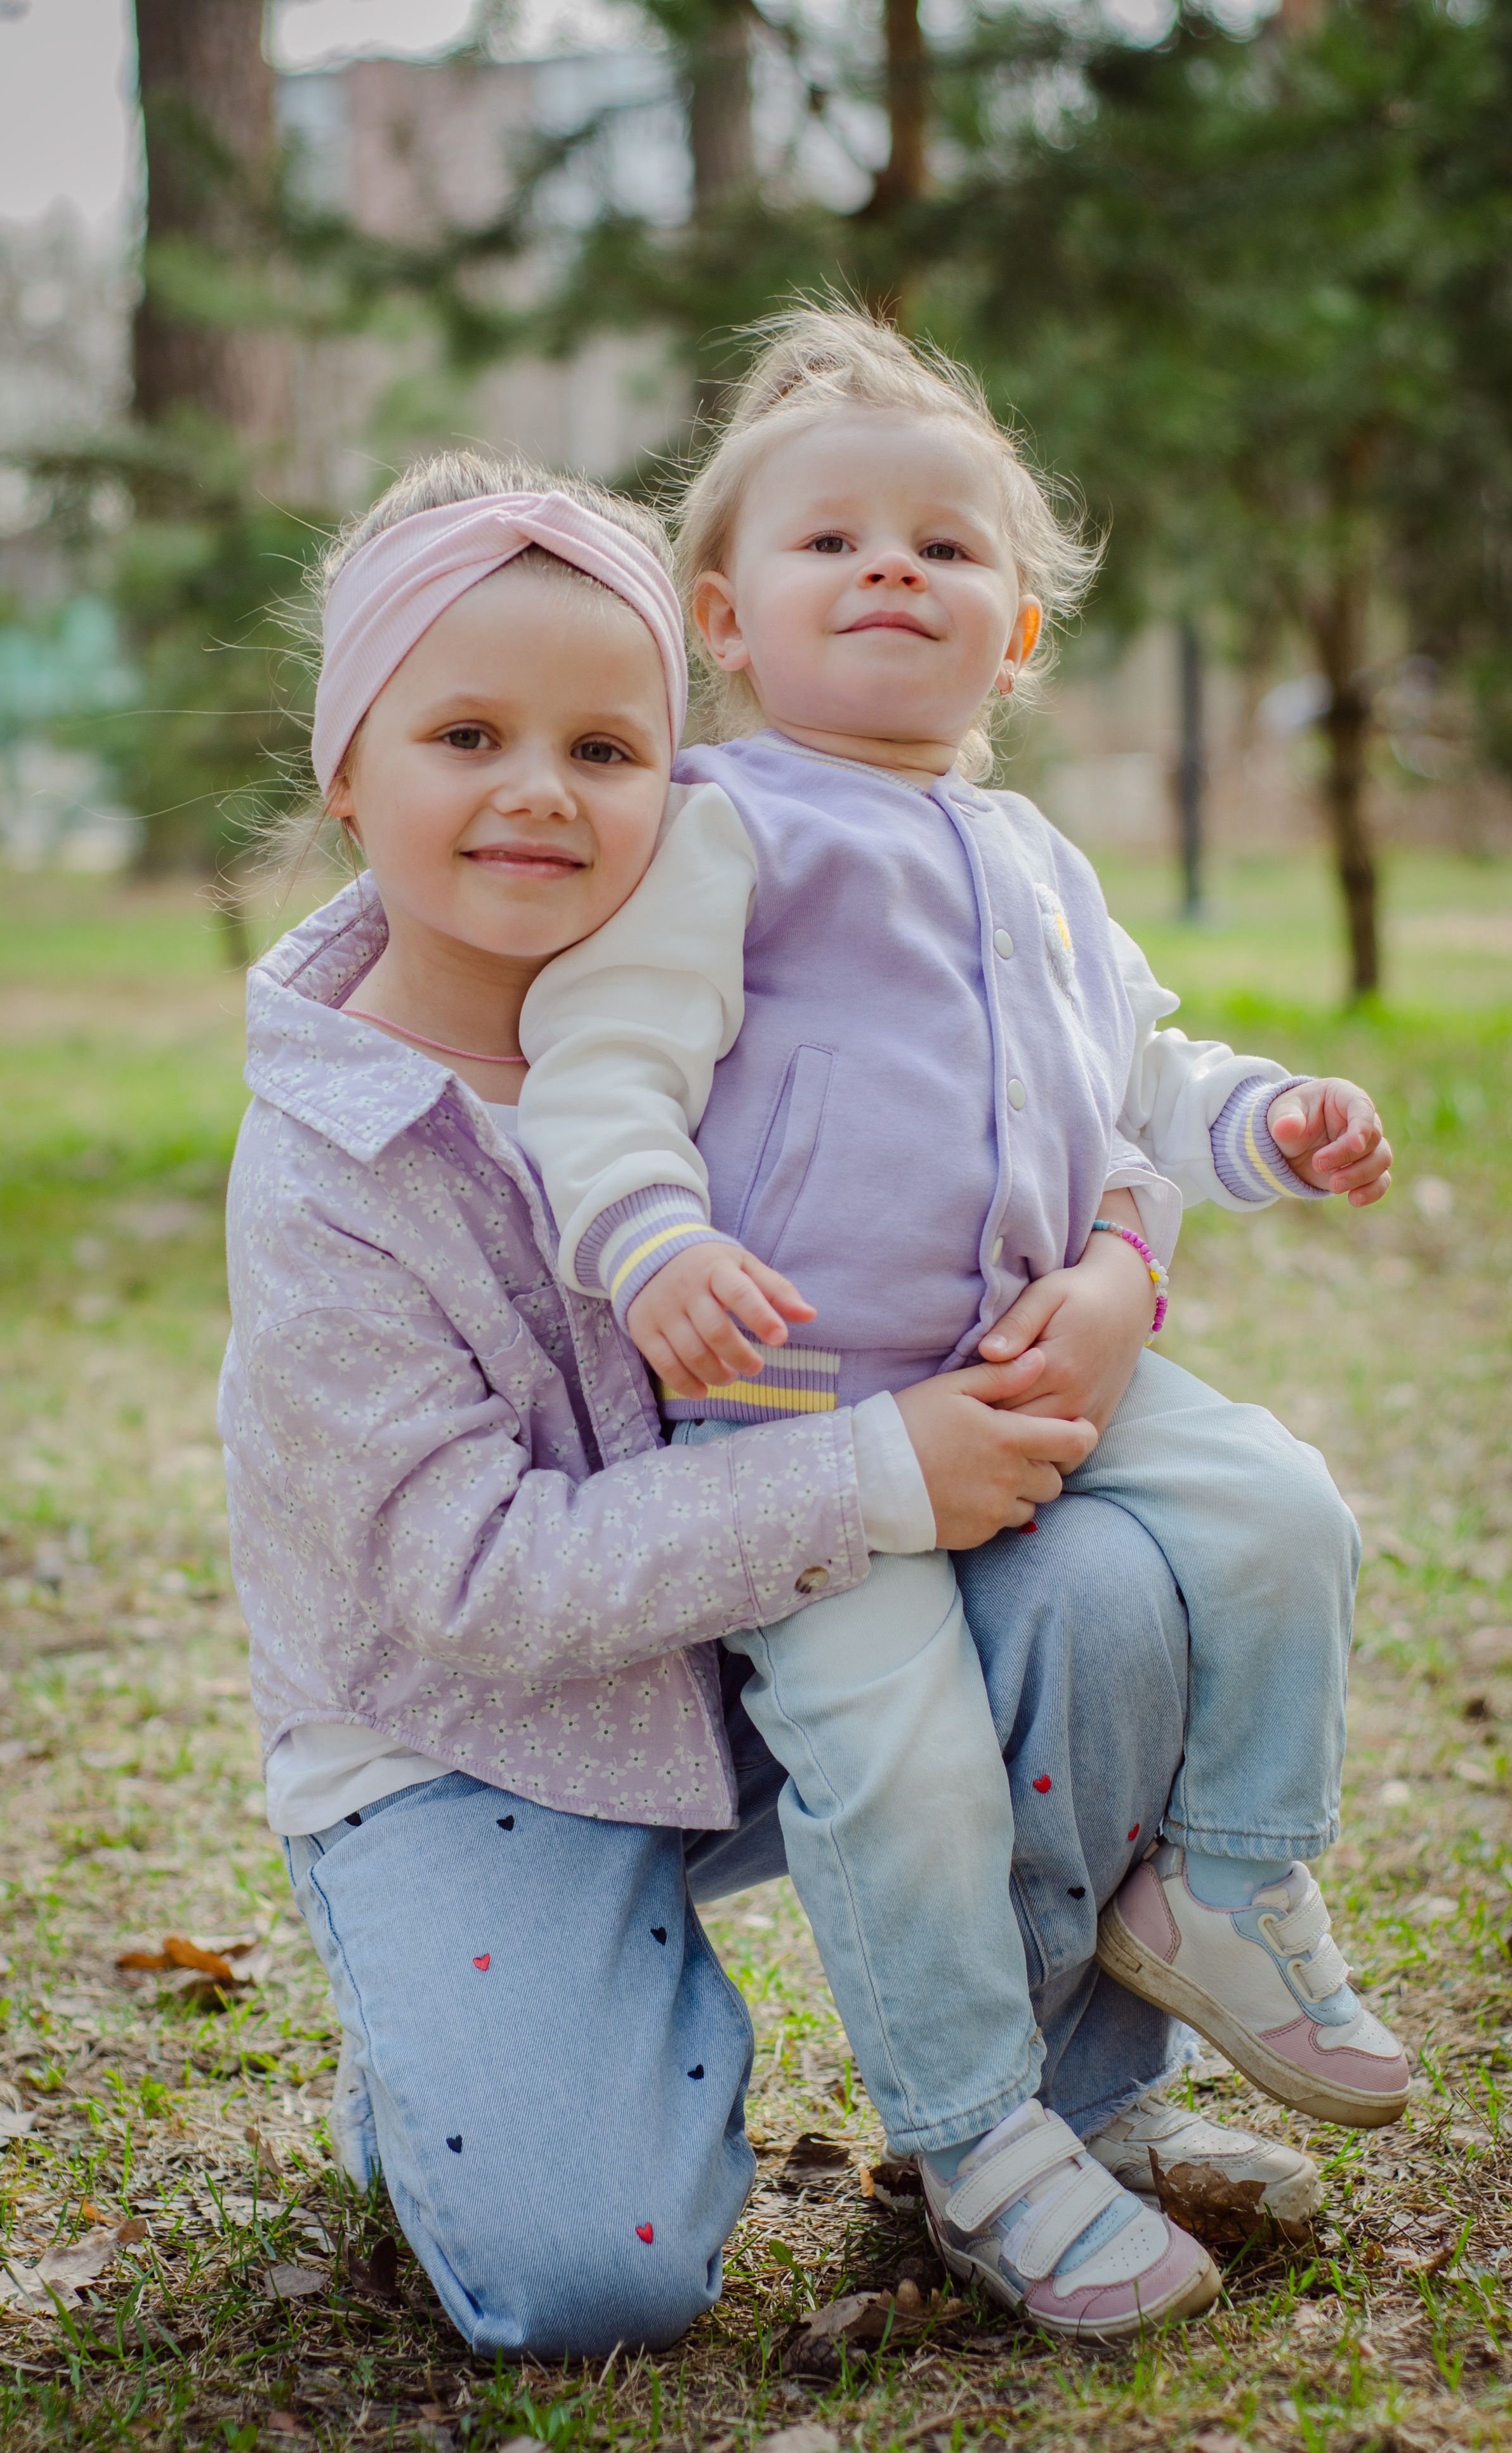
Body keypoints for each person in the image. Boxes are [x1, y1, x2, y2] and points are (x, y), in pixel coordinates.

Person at [220, 449, 1259, 2357]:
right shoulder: (330, 1171)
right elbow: (470, 1582)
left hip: (771, 1648)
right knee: (588, 2278)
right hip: (480, 1737)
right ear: (347, 771)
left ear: (679, 781)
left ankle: (1057, 2115)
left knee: (1100, 1589)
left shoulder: (744, 966)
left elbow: (1061, 1081)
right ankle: (468, 2058)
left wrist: (1122, 1263)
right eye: (465, 732)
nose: (541, 788)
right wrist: (871, 1471)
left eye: (608, 750)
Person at [511, 309, 1412, 2299]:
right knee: (900, 1762)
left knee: (1283, 1510)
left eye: (946, 542)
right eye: (835, 544)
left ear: (1016, 634)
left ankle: (1234, 1883)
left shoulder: (1040, 858)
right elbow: (603, 1059)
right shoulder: (726, 827)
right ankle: (979, 2136)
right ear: (729, 620)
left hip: (1025, 1349)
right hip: (798, 1412)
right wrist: (652, 1245)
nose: (894, 566)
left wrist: (1273, 1121)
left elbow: (1142, 1077)